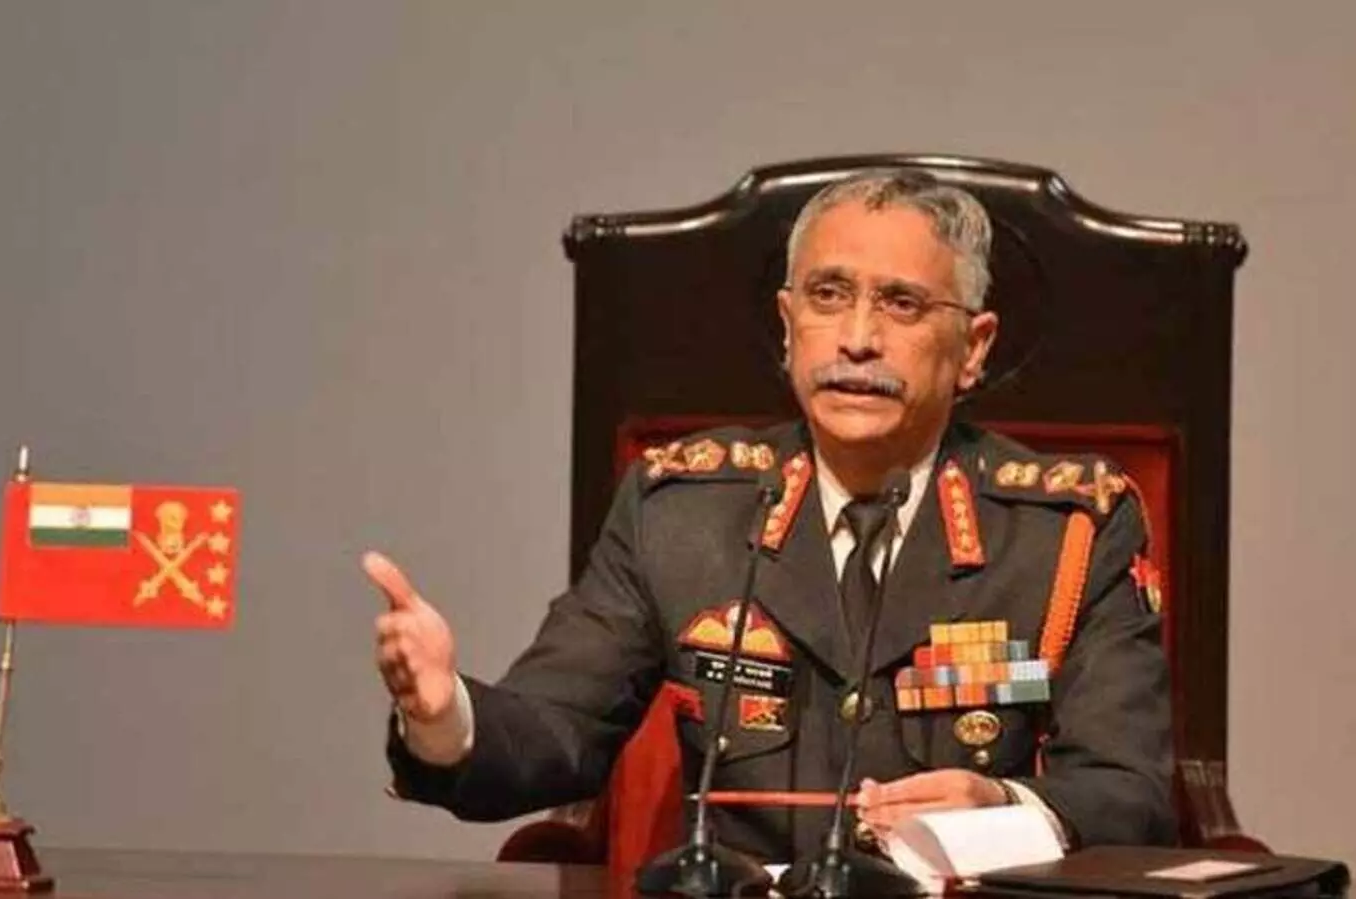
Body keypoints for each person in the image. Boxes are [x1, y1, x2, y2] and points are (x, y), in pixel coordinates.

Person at [367, 170, 1174, 862]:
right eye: (829, 295)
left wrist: (1000, 805)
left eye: (901, 303)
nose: (857, 338)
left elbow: (1129, 793)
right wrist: (443, 713)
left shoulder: (1068, 530)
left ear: (974, 347)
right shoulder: (682, 511)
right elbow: (557, 729)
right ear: (789, 327)